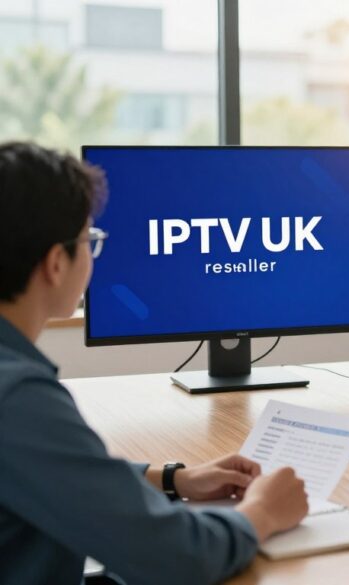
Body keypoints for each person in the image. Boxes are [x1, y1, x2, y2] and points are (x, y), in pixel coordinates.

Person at [0, 141, 309, 584]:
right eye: (90, 241)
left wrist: (173, 479)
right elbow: (178, 557)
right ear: (54, 263)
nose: (93, 254)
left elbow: (57, 476)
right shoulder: (18, 400)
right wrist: (262, 511)